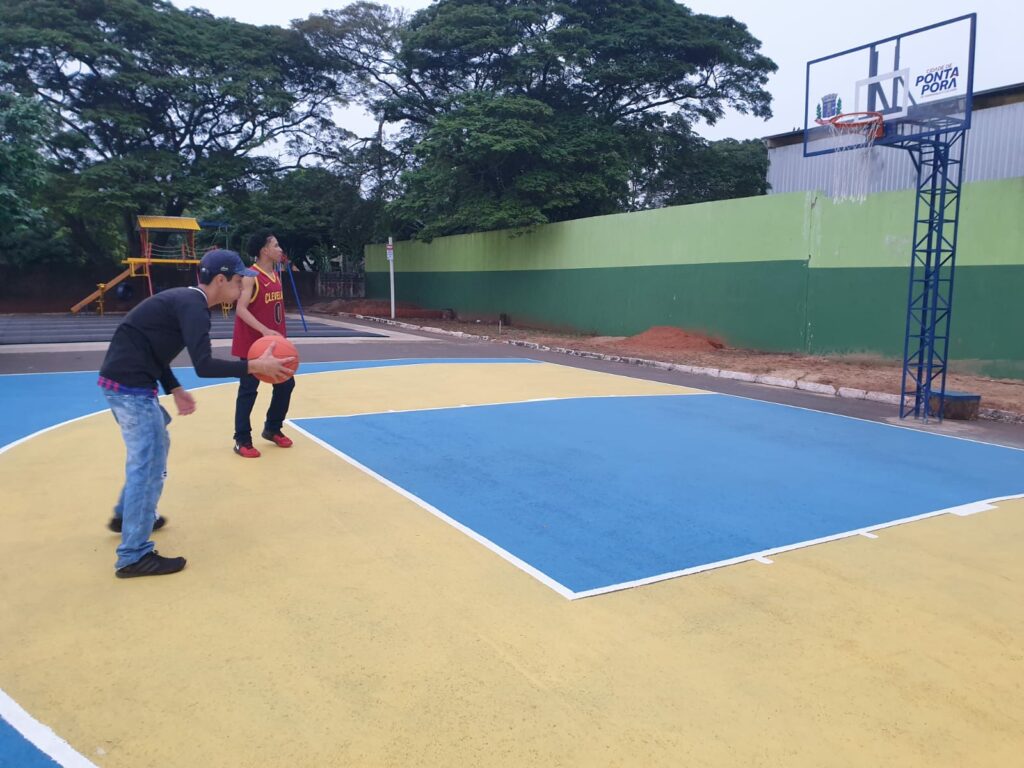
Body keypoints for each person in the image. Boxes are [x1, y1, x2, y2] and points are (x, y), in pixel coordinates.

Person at [98, 249, 295, 578]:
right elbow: (203, 366)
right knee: (146, 465)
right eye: (237, 281)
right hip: (130, 388)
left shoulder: (184, 301)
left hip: (127, 381)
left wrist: (174, 387)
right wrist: (254, 365)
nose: (242, 286)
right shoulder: (194, 308)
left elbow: (151, 347)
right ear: (220, 280)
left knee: (155, 446)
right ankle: (133, 555)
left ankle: (125, 516)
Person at [231, 230, 296, 458]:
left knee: (286, 384)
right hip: (253, 346)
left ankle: (272, 428)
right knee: (248, 390)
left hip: (275, 345)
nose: (280, 249)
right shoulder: (250, 275)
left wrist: (279, 336)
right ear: (264, 250)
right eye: (276, 245)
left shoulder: (276, 274)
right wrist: (264, 330)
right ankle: (241, 439)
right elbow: (240, 309)